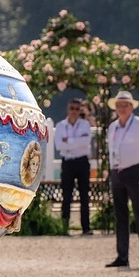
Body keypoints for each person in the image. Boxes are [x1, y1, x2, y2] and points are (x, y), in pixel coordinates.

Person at [104, 90, 139, 269]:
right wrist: (112, 171)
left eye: (124, 105)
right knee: (120, 216)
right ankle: (122, 255)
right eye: (118, 105)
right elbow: (112, 151)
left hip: (134, 171)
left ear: (131, 107)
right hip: (117, 172)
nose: (121, 108)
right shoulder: (113, 127)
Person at [54, 98, 94, 235]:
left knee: (84, 196)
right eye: (72, 108)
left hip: (82, 162)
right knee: (66, 195)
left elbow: (86, 141)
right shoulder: (60, 125)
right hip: (68, 162)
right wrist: (77, 142)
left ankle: (86, 227)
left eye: (77, 109)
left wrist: (69, 141)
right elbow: (59, 145)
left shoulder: (85, 125)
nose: (74, 112)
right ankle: (64, 227)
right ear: (68, 109)